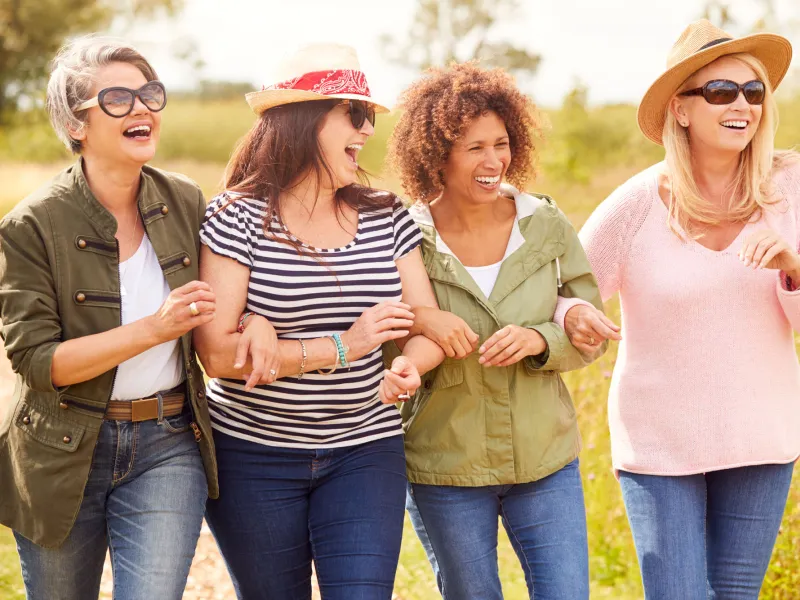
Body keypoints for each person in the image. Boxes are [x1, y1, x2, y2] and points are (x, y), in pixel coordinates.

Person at [194, 43, 444, 599]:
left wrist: (409, 365)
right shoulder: (235, 218)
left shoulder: (387, 214)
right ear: (304, 121)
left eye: (370, 116)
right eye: (354, 115)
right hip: (252, 455)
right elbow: (215, 355)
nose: (368, 130)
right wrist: (345, 346)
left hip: (364, 447)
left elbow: (421, 326)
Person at [563, 20, 800, 599]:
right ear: (682, 110)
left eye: (753, 91)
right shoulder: (635, 205)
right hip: (659, 443)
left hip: (762, 436)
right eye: (720, 91)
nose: (742, 104)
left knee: (736, 592)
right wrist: (573, 315)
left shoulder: (790, 189)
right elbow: (564, 288)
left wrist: (794, 268)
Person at [0, 36, 219, 600]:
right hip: (61, 447)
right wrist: (154, 329)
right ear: (77, 124)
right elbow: (37, 363)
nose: (142, 107)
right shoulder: (30, 225)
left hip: (167, 442)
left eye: (149, 93)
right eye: (118, 99)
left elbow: (237, 297)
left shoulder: (187, 201)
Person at [385, 62, 606, 600]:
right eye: (474, 147)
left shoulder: (545, 224)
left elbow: (586, 324)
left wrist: (541, 340)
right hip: (447, 465)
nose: (494, 161)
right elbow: (387, 334)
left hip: (545, 459)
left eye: (501, 143)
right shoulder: (403, 235)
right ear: (436, 153)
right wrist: (417, 327)